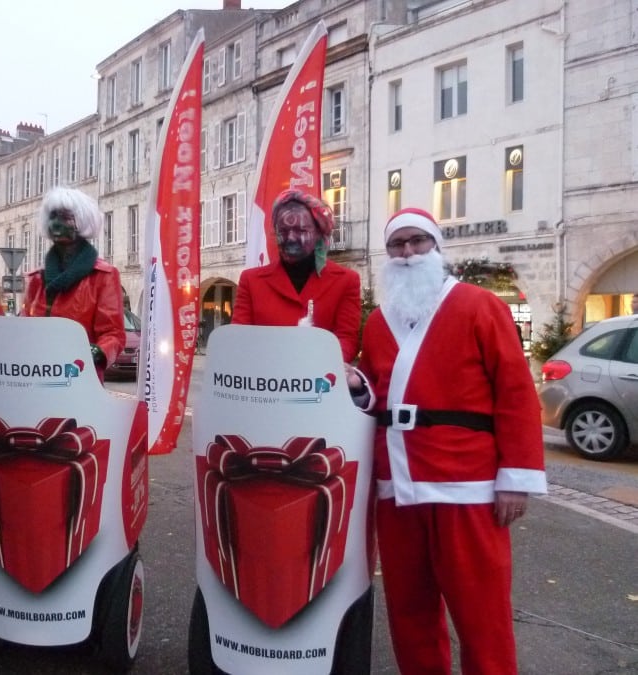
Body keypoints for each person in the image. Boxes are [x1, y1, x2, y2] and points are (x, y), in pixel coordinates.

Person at [354, 207, 547, 674]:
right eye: (397, 245)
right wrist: (359, 390)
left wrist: (515, 479)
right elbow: (379, 393)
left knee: (483, 617)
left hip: (467, 487)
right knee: (410, 613)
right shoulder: (380, 322)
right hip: (397, 489)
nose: (406, 253)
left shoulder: (480, 306)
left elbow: (516, 393)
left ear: (436, 248)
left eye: (417, 242)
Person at [0, 186, 125, 382]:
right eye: (53, 216)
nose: (56, 223)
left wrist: (96, 352)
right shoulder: (38, 279)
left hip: (79, 380)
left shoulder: (102, 276)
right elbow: (24, 332)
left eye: (65, 217)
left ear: (81, 222)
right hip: (38, 379)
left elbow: (113, 334)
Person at [232, 189, 361, 363]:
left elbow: (347, 340)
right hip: (266, 383)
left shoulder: (346, 281)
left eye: (301, 230)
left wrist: (308, 369)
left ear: (318, 233)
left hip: (318, 384)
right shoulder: (251, 281)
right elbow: (240, 340)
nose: (290, 237)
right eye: (283, 231)